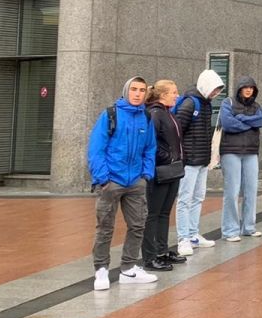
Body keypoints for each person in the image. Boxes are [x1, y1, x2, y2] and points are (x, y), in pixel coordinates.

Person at [88, 77, 158, 290]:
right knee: (105, 227)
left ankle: (128, 268)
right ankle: (101, 269)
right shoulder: (111, 114)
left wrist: (145, 174)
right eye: (134, 89)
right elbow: (96, 149)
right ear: (127, 91)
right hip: (111, 181)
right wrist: (103, 179)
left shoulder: (146, 117)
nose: (137, 94)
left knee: (137, 225)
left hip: (136, 181)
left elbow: (150, 148)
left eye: (142, 90)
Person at [174, 69, 224, 256]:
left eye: (218, 90)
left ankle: (193, 234)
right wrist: (182, 155)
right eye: (214, 89)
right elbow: (177, 130)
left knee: (198, 198)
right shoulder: (190, 103)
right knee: (185, 199)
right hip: (189, 160)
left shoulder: (206, 104)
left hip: (202, 160)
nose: (215, 93)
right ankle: (183, 238)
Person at [143, 80, 187, 271]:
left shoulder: (168, 113)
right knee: (153, 214)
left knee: (164, 212)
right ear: (162, 95)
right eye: (173, 92)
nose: (177, 95)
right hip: (160, 170)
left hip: (172, 169)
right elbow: (150, 143)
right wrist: (168, 157)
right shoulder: (155, 113)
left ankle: (161, 250)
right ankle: (150, 256)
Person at [218, 76, 262, 242]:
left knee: (251, 190)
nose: (248, 90)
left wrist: (242, 119)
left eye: (251, 88)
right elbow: (227, 123)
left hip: (251, 151)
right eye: (245, 87)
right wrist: (250, 124)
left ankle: (248, 227)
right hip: (230, 151)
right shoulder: (228, 103)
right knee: (232, 192)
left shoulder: (257, 106)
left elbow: (261, 120)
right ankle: (230, 230)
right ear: (239, 89)